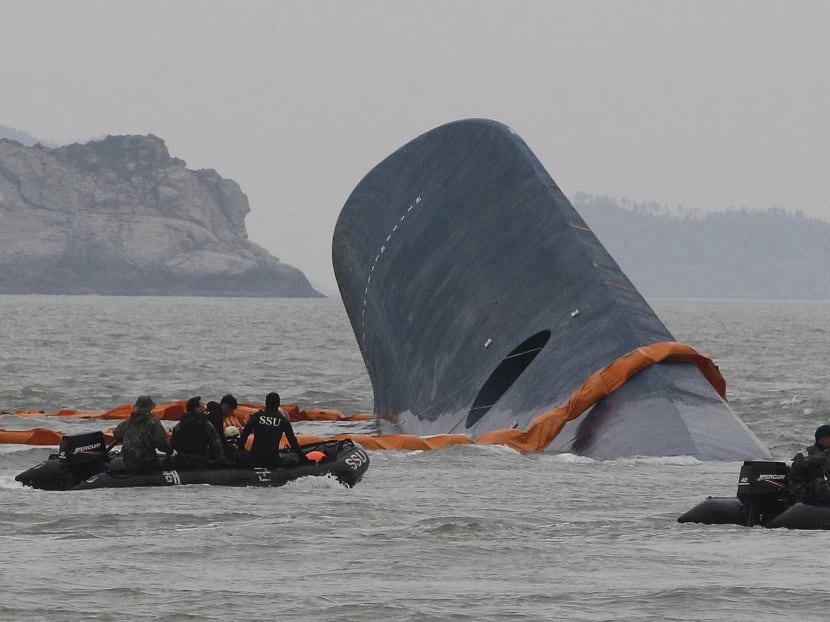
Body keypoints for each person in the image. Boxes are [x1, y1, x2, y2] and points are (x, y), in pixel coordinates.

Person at [238, 392, 309, 467]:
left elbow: (244, 436)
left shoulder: (256, 416)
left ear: (265, 403)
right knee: (293, 458)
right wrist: (304, 458)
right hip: (272, 461)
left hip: (254, 459)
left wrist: (241, 450)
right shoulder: (283, 420)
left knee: (239, 454)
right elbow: (293, 442)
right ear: (278, 405)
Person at [112, 395, 172, 472]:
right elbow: (161, 444)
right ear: (151, 408)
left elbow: (117, 435)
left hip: (126, 461)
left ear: (136, 407)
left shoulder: (126, 423)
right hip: (146, 462)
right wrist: (171, 452)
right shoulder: (153, 423)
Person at [170, 396, 229, 468]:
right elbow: (216, 445)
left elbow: (173, 443)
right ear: (196, 408)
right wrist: (224, 463)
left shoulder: (180, 425)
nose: (205, 409)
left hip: (182, 460)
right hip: (201, 461)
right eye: (202, 407)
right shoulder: (205, 424)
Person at [787, 424, 830, 504]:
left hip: (796, 487)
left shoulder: (809, 450)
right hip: (801, 490)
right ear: (822, 439)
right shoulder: (818, 454)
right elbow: (818, 478)